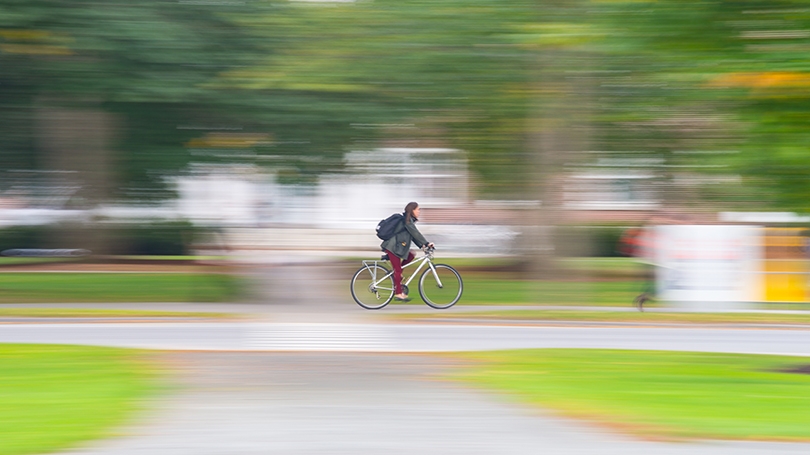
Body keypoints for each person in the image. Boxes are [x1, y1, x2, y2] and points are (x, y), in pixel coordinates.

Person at [380, 201, 434, 301]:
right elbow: (415, 233)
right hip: (393, 248)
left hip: (397, 247)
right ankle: (399, 293)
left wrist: (422, 245)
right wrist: (426, 243)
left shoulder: (409, 221)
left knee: (411, 255)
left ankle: (398, 275)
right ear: (412, 210)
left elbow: (413, 236)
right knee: (398, 270)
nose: (419, 211)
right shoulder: (407, 221)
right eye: (418, 209)